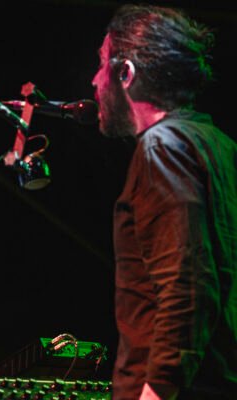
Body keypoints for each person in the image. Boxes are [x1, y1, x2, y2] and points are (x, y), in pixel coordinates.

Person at [91, 5, 237, 400]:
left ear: (126, 73)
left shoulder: (162, 147)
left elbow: (187, 286)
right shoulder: (219, 145)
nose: (94, 80)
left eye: (102, 64)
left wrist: (156, 390)